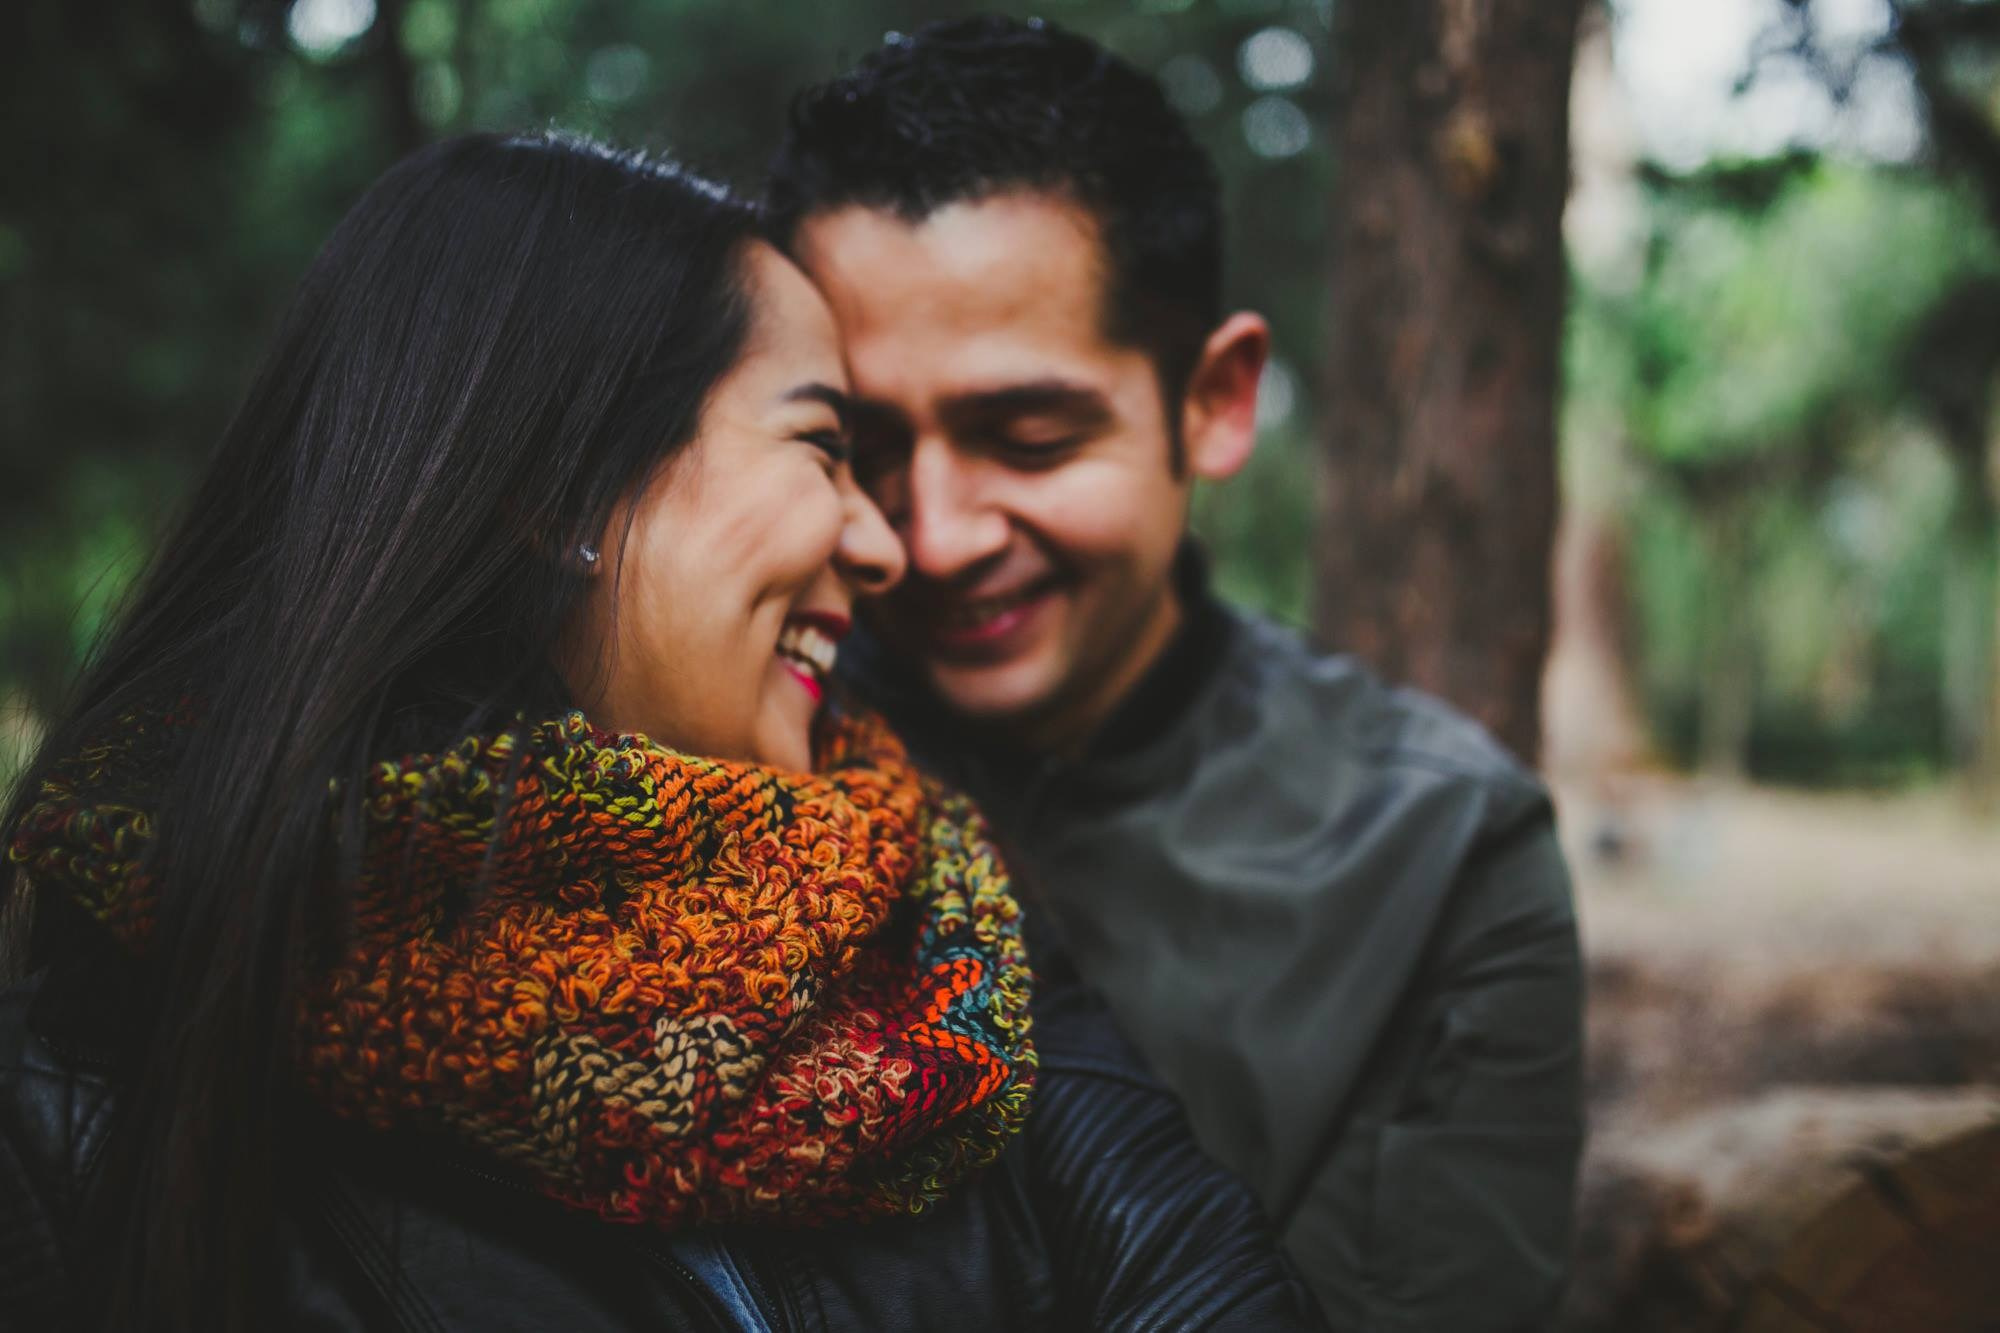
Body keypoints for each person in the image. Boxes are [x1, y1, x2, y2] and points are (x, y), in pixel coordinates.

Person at [0, 131, 1323, 1333]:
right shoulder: (88, 1086)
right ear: (560, 484)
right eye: (822, 447)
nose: (883, 542)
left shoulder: (947, 928)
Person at [766, 16, 1587, 1329]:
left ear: (1215, 397)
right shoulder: (731, 751)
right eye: (859, 447)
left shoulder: (1440, 853)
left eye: (1026, 437)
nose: (932, 534)